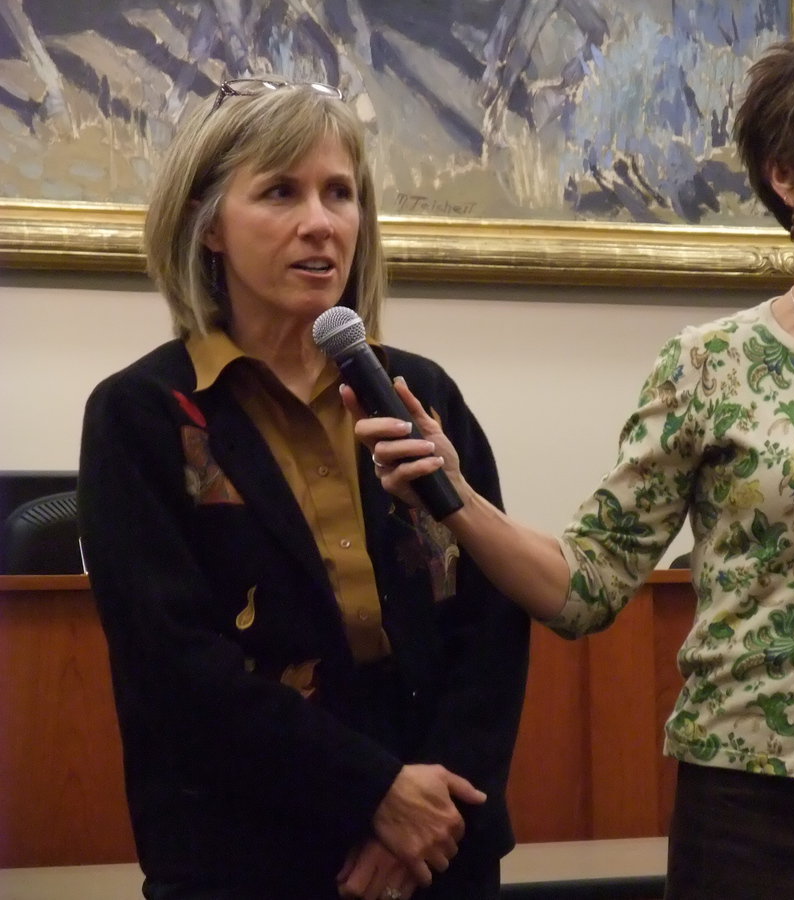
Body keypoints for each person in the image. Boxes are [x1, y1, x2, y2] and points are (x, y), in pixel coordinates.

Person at [354, 25, 794, 900]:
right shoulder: (707, 366)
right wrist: (457, 499)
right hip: (757, 821)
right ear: (787, 175)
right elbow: (586, 584)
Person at [77, 76, 529, 900]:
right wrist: (374, 796)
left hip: (440, 845)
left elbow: (491, 621)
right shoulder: (141, 414)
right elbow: (177, 667)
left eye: (340, 194)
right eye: (281, 192)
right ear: (208, 224)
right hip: (248, 850)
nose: (320, 223)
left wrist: (432, 811)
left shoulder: (419, 392)